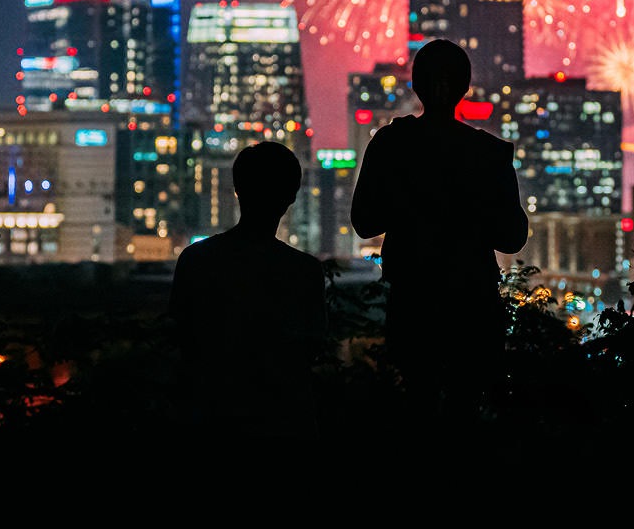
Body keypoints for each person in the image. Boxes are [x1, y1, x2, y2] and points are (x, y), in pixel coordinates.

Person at [350, 38, 529, 410]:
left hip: (413, 304)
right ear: (466, 88)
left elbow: (364, 222)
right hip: (473, 305)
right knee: (468, 411)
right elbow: (512, 238)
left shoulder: (391, 144)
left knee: (418, 407)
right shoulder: (490, 153)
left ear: (415, 85)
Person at [169, 141, 326, 439]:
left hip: (210, 420)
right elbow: (310, 348)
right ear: (291, 196)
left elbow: (182, 339)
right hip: (283, 423)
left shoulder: (196, 261)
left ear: (237, 189)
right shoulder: (304, 271)